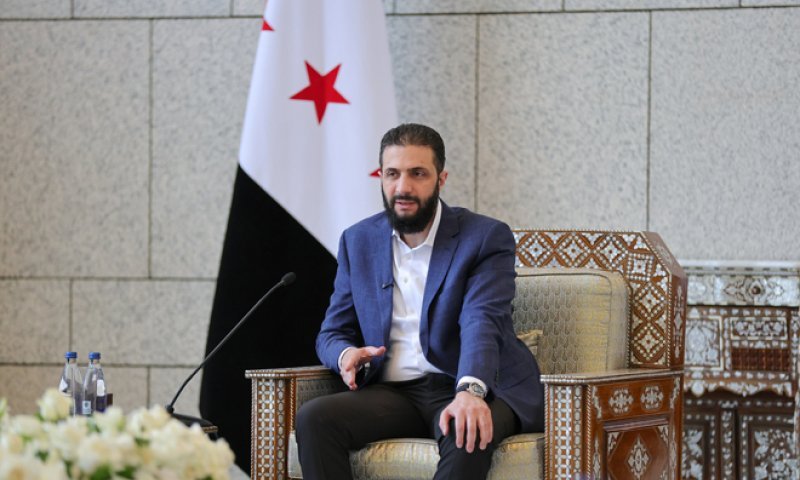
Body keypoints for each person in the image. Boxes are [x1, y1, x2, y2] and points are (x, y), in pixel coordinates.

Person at [295, 123, 544, 479]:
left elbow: (481, 320)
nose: (403, 187)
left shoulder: (484, 237)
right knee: (315, 418)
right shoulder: (358, 240)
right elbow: (332, 332)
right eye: (392, 174)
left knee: (465, 428)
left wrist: (471, 392)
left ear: (441, 179)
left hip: (474, 384)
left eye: (418, 173)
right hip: (395, 392)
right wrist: (345, 355)